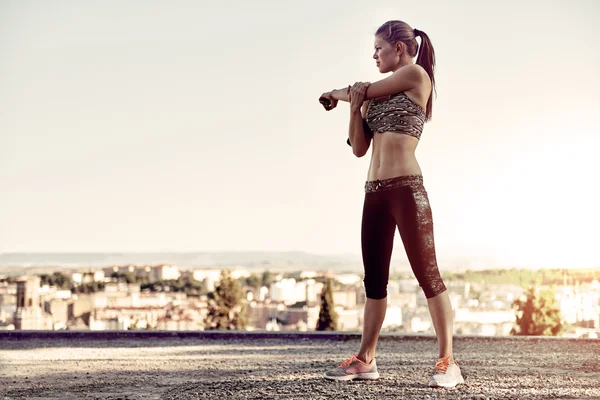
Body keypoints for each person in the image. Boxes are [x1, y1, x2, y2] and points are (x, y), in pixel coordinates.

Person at [318, 20, 464, 388]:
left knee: (428, 276)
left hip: (407, 190)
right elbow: (359, 148)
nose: (374, 55)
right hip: (375, 192)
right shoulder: (372, 97)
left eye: (379, 48)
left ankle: (448, 362)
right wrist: (352, 107)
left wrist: (340, 93)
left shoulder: (415, 75)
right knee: (375, 282)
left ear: (398, 48)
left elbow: (363, 88)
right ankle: (366, 359)